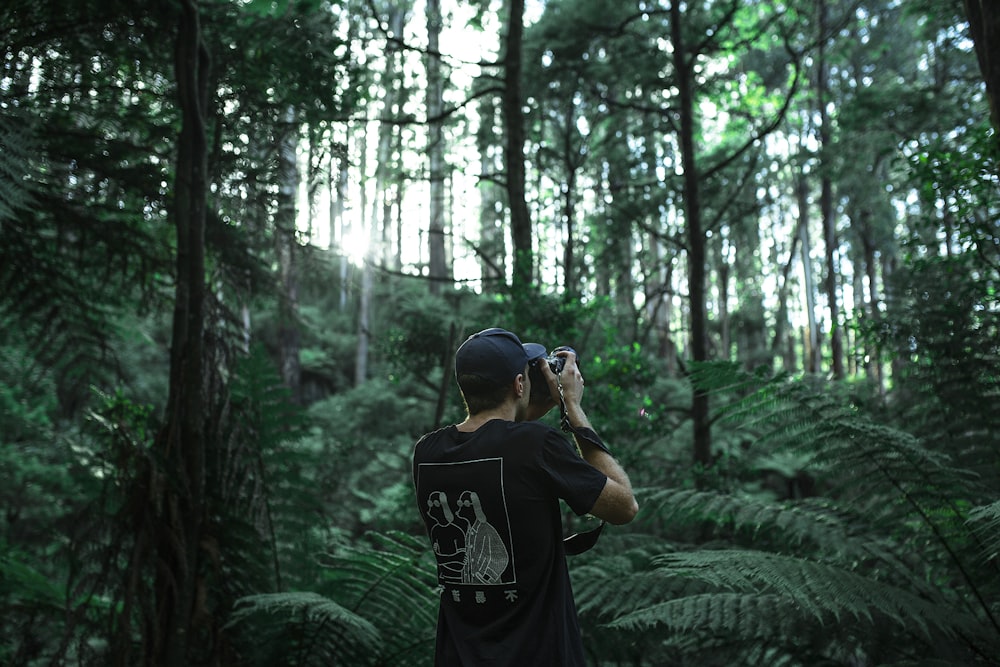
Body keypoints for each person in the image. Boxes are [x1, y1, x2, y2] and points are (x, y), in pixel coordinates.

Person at [412, 327, 638, 666]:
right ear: (519, 384)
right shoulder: (537, 446)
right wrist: (572, 407)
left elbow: (497, 439)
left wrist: (529, 405)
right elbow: (624, 507)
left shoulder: (427, 452)